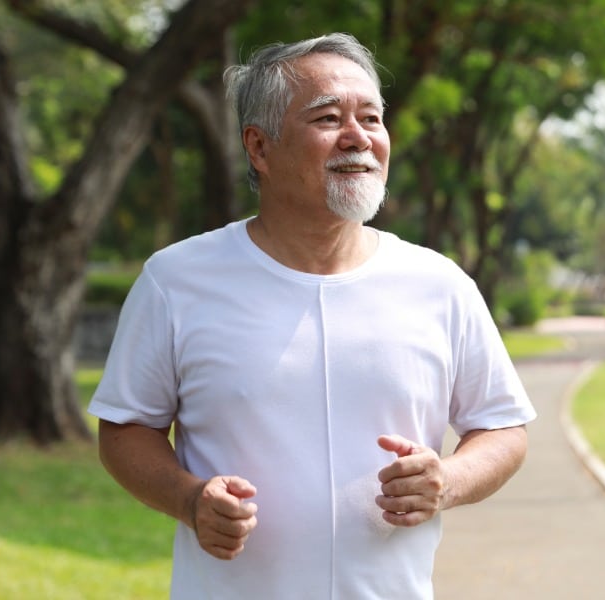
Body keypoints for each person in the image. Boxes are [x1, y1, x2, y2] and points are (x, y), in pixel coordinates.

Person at [89, 32, 536, 599]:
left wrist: (447, 481)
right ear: (259, 148)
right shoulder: (177, 280)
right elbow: (126, 427)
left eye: (371, 118)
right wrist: (189, 499)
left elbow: (501, 427)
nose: (359, 138)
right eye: (328, 118)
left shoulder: (438, 284)